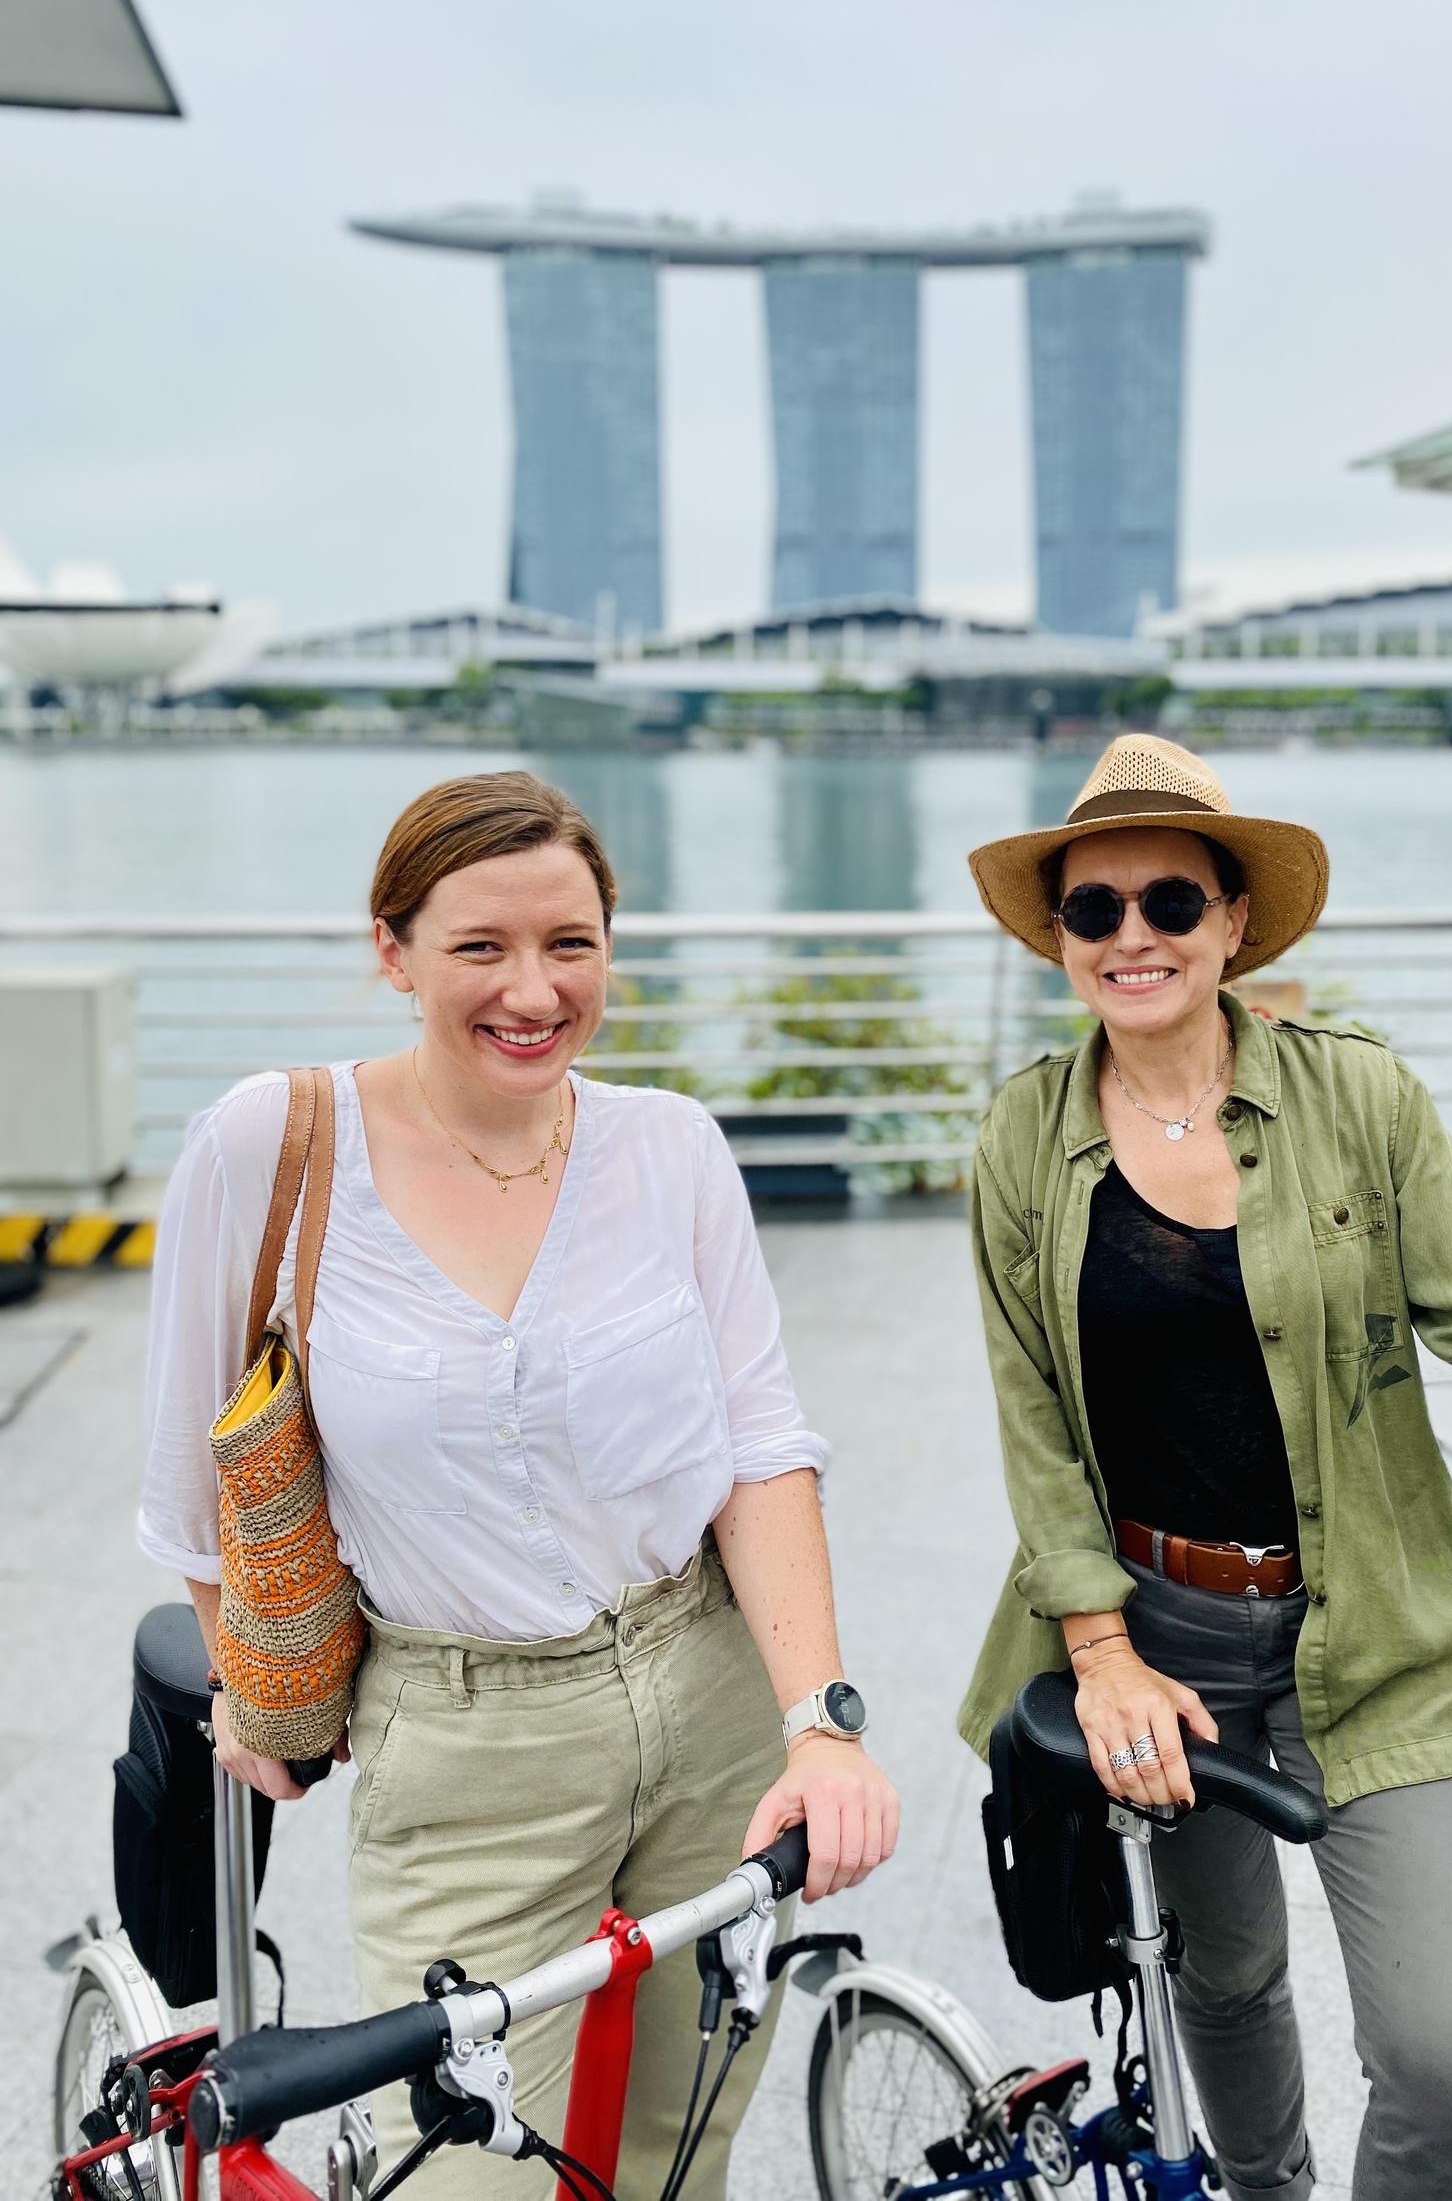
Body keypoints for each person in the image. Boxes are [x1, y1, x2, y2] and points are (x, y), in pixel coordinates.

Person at [958, 734, 1452, 2201]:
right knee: (1227, 1987)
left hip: (1377, 1630)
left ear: (1236, 920)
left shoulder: (1357, 1103)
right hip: (1157, 1637)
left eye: (1170, 903)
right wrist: (1102, 1651)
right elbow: (1033, 1423)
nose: (1133, 939)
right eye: (1092, 911)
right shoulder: (1019, 1140)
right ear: (1058, 936)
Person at [139, 770, 897, 2198]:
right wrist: (260, 1684)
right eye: (480, 947)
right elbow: (191, 1482)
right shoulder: (274, 1144)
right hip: (462, 1741)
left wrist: (820, 1728)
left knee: (678, 2155)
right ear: (393, 948)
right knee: (462, 2175)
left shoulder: (668, 1148)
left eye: (572, 944)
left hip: (711, 1696)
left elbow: (760, 1446)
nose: (532, 991)